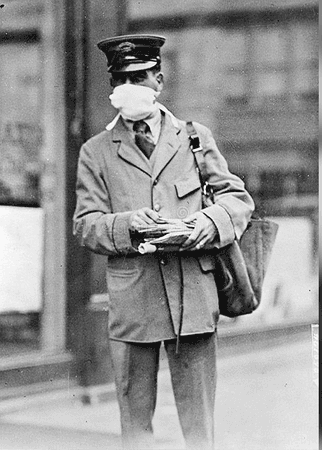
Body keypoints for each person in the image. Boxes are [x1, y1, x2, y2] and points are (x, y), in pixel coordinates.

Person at [72, 34, 254, 449]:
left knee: (199, 427)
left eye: (140, 76)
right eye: (121, 79)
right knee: (135, 426)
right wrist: (129, 224)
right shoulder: (96, 152)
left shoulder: (194, 137)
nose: (130, 87)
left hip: (193, 296)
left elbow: (237, 199)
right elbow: (85, 225)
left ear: (159, 80)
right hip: (134, 303)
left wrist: (203, 225)